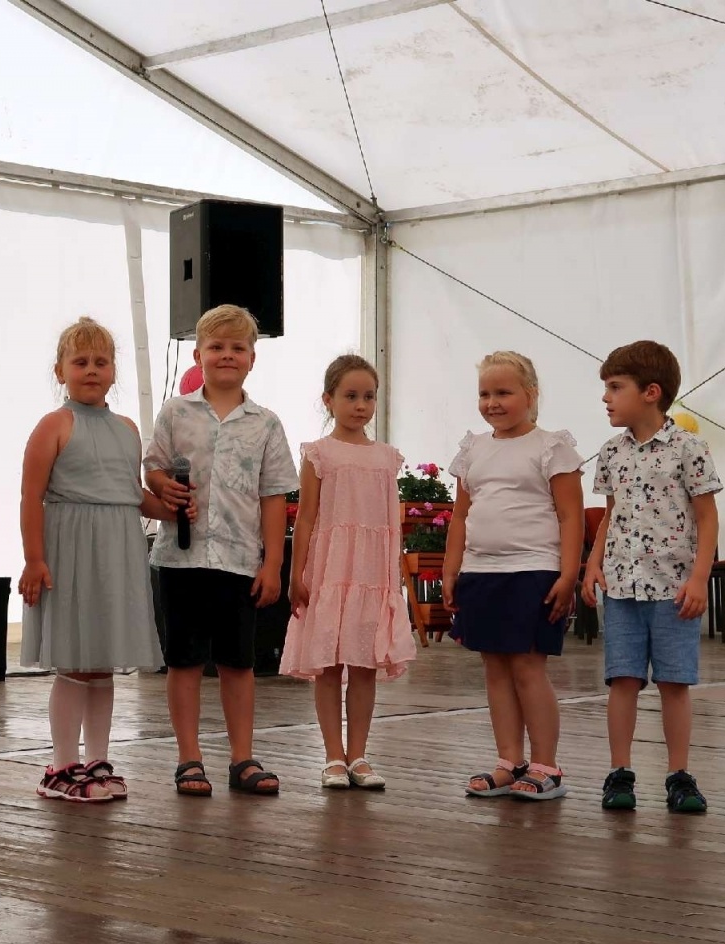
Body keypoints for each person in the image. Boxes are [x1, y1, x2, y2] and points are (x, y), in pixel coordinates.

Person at [19, 317, 181, 801]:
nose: (91, 370)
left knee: (103, 660)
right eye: (80, 361)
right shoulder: (53, 425)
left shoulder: (128, 428)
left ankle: (98, 760)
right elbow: (30, 497)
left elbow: (130, 494)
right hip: (71, 549)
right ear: (60, 371)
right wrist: (34, 559)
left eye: (101, 362)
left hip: (117, 550)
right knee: (75, 659)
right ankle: (62, 765)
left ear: (113, 371)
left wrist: (171, 508)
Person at [145, 305, 299, 797]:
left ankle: (242, 757)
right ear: (198, 356)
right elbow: (153, 467)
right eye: (216, 347)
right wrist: (163, 486)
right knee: (184, 660)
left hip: (239, 561)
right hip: (181, 559)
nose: (227, 355)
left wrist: (272, 564)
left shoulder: (266, 424)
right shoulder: (175, 412)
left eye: (237, 348)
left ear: (252, 358)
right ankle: (188, 758)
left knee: (238, 662)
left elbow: (274, 496)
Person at [582, 340, 721, 814]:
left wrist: (699, 578)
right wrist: (593, 562)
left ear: (651, 392)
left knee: (674, 683)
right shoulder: (610, 452)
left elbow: (707, 518)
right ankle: (619, 772)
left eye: (615, 387)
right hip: (621, 588)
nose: (606, 398)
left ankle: (679, 775)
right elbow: (611, 513)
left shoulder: (689, 448)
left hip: (675, 590)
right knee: (621, 680)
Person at [445, 351, 583, 800]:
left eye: (503, 392)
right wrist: (451, 569)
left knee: (527, 666)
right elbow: (460, 516)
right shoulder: (473, 450)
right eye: (485, 393)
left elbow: (570, 516)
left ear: (531, 394)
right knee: (495, 668)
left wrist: (568, 574)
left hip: (533, 571)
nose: (492, 402)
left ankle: (546, 765)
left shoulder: (551, 447)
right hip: (481, 572)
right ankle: (509, 761)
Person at [281, 355, 415, 790]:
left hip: (371, 573)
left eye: (369, 397)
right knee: (328, 665)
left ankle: (358, 754)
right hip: (329, 570)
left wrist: (393, 575)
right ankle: (333, 757)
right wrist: (297, 573)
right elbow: (306, 518)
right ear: (329, 399)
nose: (361, 405)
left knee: (363, 664)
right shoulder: (319, 454)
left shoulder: (386, 458)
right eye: (351, 396)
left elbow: (390, 523)